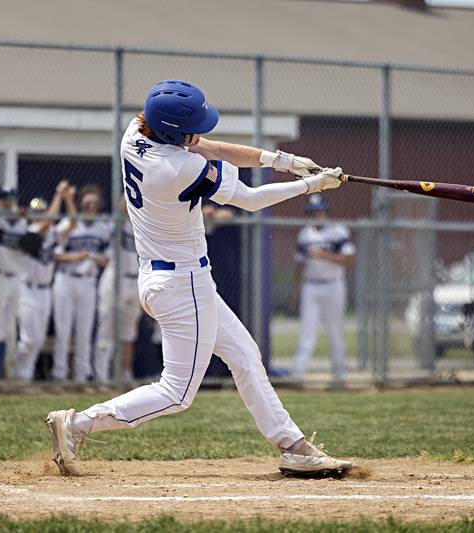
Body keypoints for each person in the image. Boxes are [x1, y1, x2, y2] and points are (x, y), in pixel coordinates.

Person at [46, 79, 352, 478]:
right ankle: (78, 424)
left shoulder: (135, 133)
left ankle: (293, 446)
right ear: (175, 132)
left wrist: (284, 161)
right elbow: (249, 199)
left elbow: (211, 146)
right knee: (176, 392)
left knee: (244, 355)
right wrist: (311, 184)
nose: (201, 133)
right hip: (181, 286)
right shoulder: (177, 169)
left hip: (175, 278)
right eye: (194, 127)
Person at [14, 181, 78, 381]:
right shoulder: (29, 233)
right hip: (27, 290)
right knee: (28, 340)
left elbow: (74, 223)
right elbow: (48, 222)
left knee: (39, 339)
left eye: (43, 210)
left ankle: (26, 377)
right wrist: (58, 195)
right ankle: (18, 375)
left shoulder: (52, 233)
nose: (41, 213)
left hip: (45, 291)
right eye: (38, 211)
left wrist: (68, 200)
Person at [289, 194, 356, 386]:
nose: (317, 215)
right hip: (311, 286)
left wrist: (323, 255)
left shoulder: (338, 231)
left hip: (333, 285)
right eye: (313, 212)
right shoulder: (305, 234)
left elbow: (350, 259)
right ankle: (297, 376)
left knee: (336, 332)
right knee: (306, 333)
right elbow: (299, 266)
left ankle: (340, 376)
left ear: (326, 211)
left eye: (320, 211)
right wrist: (295, 293)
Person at [51, 185, 111, 382]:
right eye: (87, 203)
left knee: (85, 332)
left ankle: (81, 376)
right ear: (81, 204)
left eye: (94, 204)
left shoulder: (104, 227)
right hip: (66, 280)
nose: (90, 207)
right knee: (63, 331)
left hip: (88, 282)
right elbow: (55, 254)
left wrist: (93, 257)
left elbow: (107, 259)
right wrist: (77, 256)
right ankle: (59, 375)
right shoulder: (68, 223)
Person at [93, 198, 142, 383]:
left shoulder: (144, 225)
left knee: (128, 333)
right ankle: (102, 378)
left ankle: (125, 375)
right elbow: (122, 209)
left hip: (134, 280)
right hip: (115, 276)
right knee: (106, 329)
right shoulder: (119, 222)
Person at [0, 187, 27, 379]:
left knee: (10, 328)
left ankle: (5, 375)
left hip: (15, 278)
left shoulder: (20, 224)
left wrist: (23, 216)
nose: (7, 202)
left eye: (10, 198)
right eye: (3, 198)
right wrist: (2, 208)